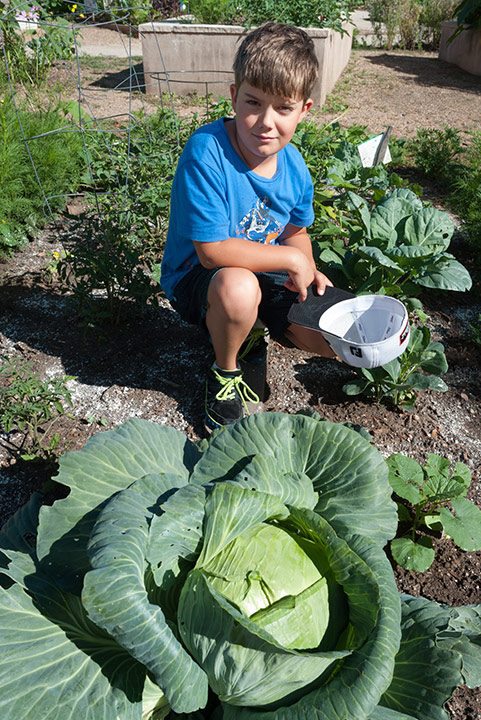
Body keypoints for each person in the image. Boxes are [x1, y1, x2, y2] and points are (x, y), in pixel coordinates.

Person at [161, 21, 335, 432]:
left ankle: (251, 332)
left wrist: (304, 267)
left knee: (331, 336)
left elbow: (296, 229)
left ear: (304, 109)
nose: (265, 122)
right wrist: (289, 258)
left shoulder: (294, 167)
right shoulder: (207, 153)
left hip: (260, 271)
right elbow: (212, 251)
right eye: (253, 102)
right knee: (238, 288)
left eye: (283, 108)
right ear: (234, 96)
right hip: (198, 279)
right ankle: (225, 371)